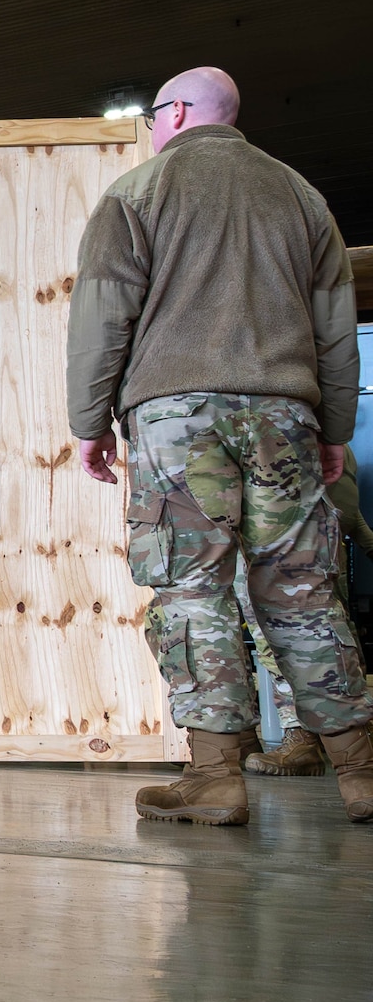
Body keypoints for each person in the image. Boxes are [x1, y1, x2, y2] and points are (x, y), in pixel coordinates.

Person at [68, 65, 370, 825]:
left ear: (173, 114)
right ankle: (362, 772)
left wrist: (89, 421)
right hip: (285, 415)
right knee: (301, 589)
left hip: (176, 422)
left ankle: (215, 778)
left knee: (190, 589)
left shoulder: (136, 194)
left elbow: (102, 319)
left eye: (152, 116)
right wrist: (335, 429)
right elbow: (336, 328)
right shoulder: (302, 197)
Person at [247, 449, 373, 775]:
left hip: (285, 545)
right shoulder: (325, 436)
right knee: (323, 640)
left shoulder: (290, 434)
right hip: (306, 542)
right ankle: (317, 741)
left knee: (299, 642)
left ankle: (328, 743)